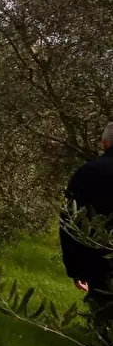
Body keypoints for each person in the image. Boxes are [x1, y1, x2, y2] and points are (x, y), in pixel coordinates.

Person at [60, 123, 113, 324]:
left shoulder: (88, 172)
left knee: (104, 320)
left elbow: (69, 220)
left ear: (104, 143)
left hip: (99, 264)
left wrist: (75, 268)